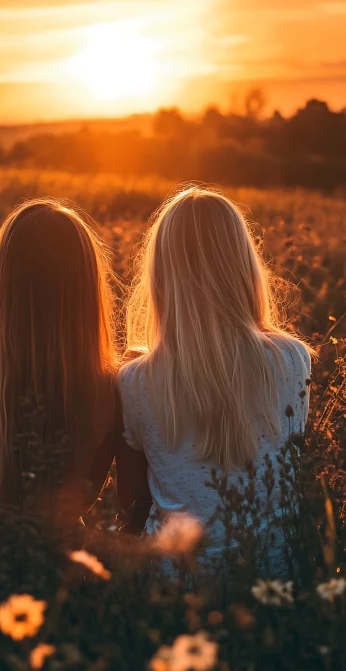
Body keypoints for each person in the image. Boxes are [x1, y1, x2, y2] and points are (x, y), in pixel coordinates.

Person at [118, 188, 313, 565]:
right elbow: (293, 472)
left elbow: (131, 501)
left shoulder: (135, 382)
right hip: (273, 580)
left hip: (174, 587)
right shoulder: (293, 359)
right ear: (244, 267)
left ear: (161, 276)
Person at [0, 198, 138, 535]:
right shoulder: (110, 389)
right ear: (87, 291)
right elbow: (83, 500)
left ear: (4, 283)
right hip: (54, 568)